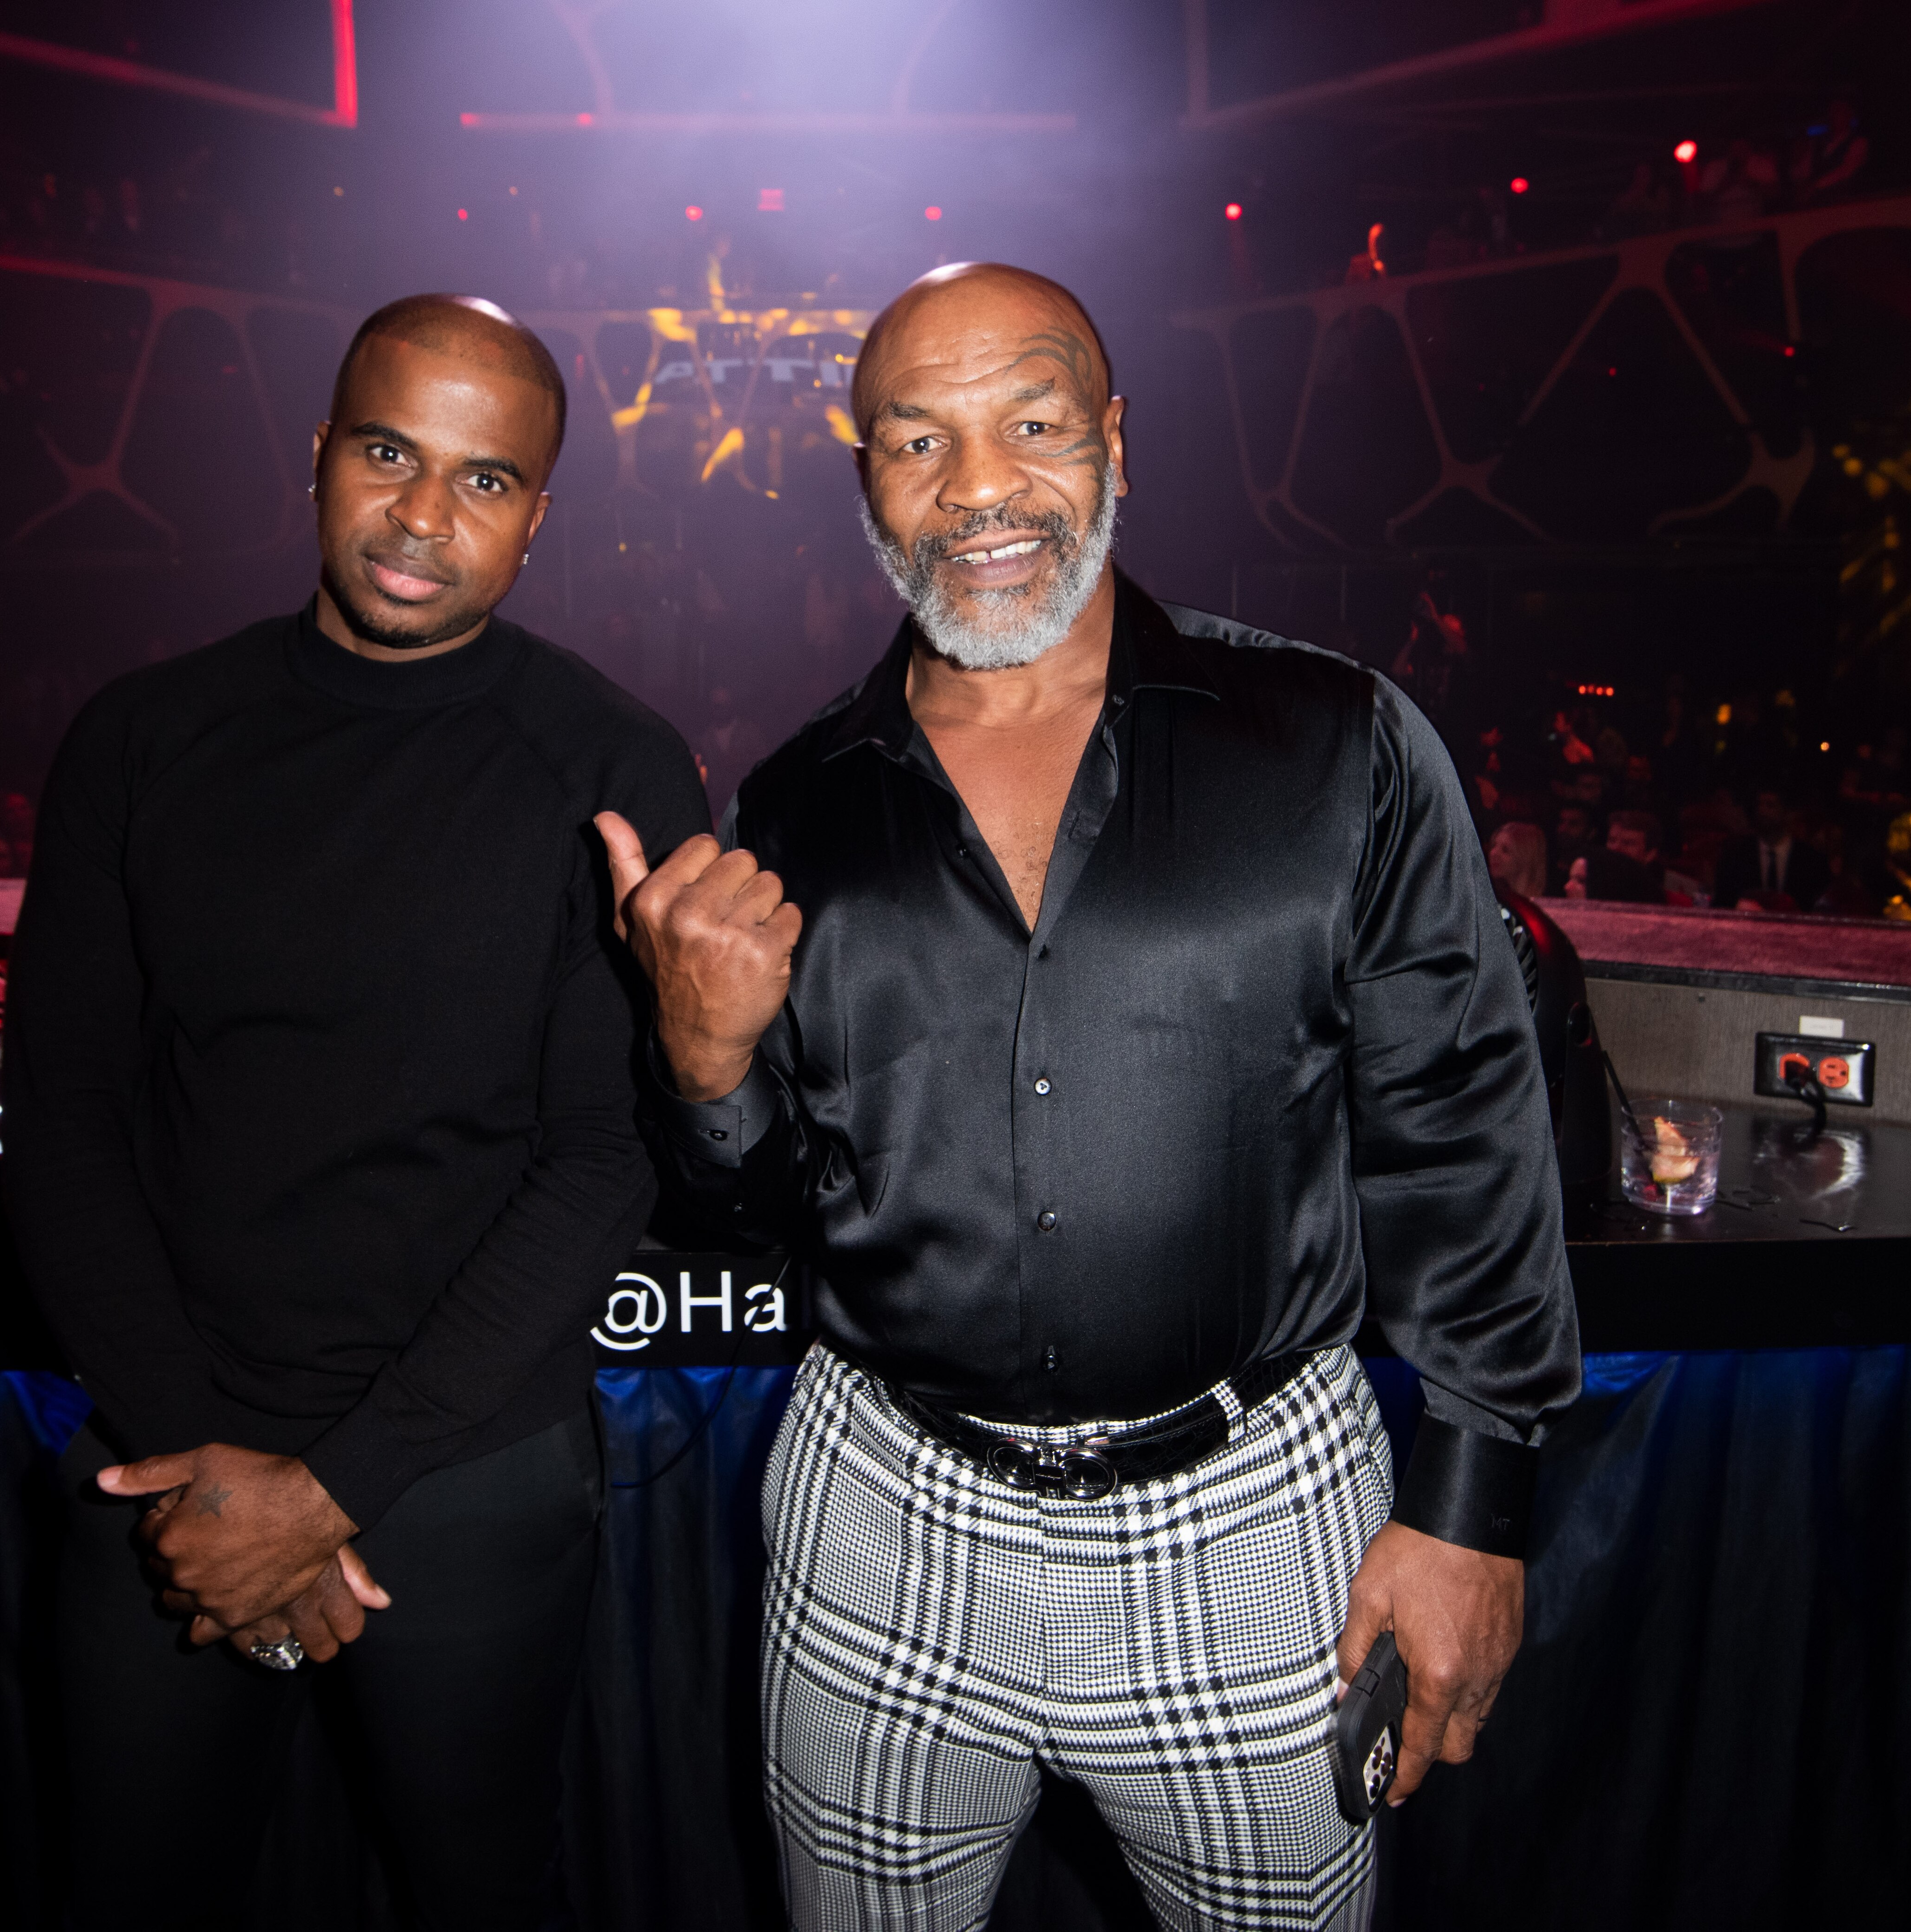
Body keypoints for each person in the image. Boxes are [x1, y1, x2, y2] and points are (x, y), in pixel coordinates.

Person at [598, 263, 1578, 1931]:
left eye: (1031, 425)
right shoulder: (791, 801)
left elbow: (1465, 1127)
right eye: (918, 442)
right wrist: (697, 1063)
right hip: (878, 1506)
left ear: (1113, 438)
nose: (978, 486)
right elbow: (759, 1208)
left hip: (1254, 1519)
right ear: (867, 485)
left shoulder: (1336, 740)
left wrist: (1471, 1510)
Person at [4, 293, 709, 1931]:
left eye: (484, 479)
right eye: (390, 452)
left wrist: (333, 1490)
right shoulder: (142, 737)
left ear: (536, 520)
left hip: (466, 1469)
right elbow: (67, 1116)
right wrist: (215, 1483)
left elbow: (601, 1154)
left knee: (482, 1894)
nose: (421, 516)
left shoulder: (609, 762)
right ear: (317, 454)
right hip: (160, 1458)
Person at [1713, 785, 1830, 911]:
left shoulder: (1809, 858)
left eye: (1770, 805)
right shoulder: (1737, 854)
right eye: (1759, 805)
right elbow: (1722, 898)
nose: (1762, 811)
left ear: (1785, 812)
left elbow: (1818, 903)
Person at [1488, 819, 1549, 900]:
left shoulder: (1534, 907)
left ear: (1524, 858)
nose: (1493, 853)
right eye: (1494, 846)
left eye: (1505, 850)